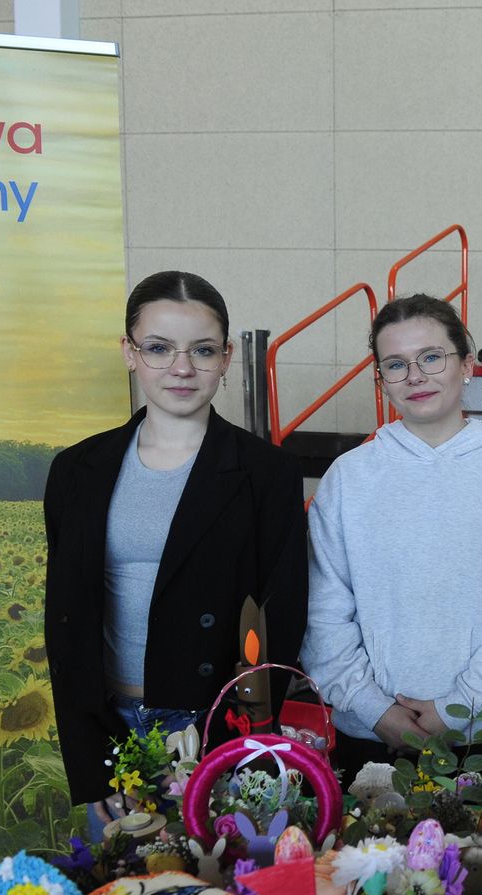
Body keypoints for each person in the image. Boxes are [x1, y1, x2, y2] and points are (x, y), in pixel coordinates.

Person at [44, 270, 308, 818]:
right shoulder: (77, 469)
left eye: (203, 350)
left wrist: (230, 744)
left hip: (213, 723)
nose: (182, 368)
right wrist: (91, 758)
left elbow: (282, 618)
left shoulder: (268, 473)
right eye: (159, 348)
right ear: (129, 352)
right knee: (116, 868)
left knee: (216, 868)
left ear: (227, 357)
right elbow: (67, 620)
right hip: (107, 723)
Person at [302, 294, 482, 786]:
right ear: (381, 379)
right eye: (396, 364)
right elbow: (323, 612)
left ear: (467, 365)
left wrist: (459, 705)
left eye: (431, 357)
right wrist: (374, 708)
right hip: (371, 731)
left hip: (479, 733)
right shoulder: (348, 478)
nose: (415, 376)